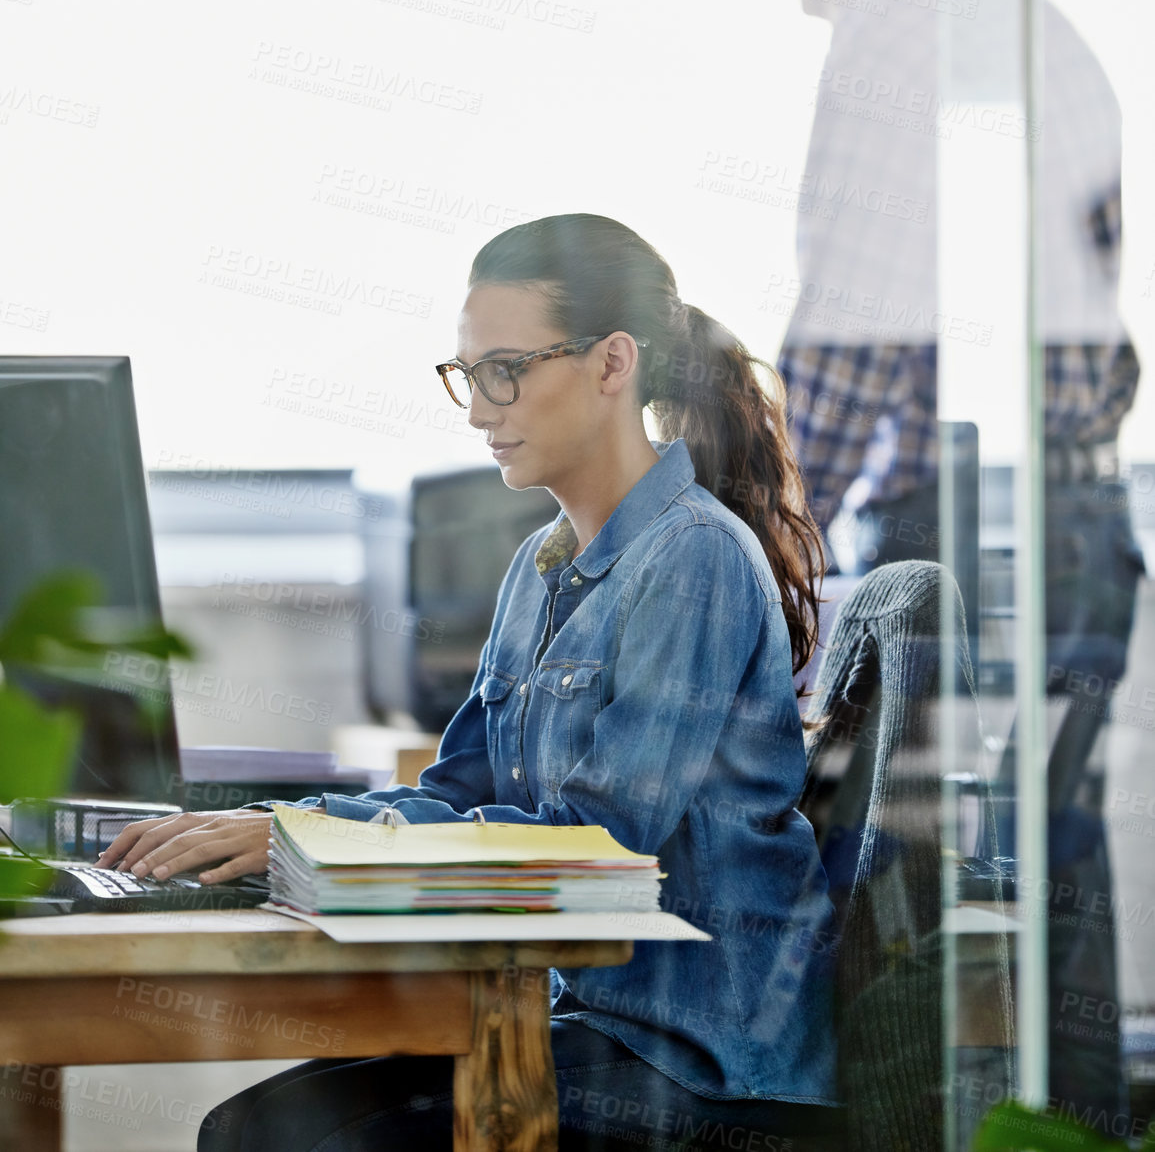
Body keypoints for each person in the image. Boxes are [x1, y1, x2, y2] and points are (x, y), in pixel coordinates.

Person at [100, 213, 841, 1152]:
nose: (480, 408)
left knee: (297, 1141)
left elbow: (599, 849)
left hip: (703, 1062)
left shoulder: (692, 559)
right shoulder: (540, 565)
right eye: (467, 376)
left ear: (613, 363)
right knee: (251, 1124)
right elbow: (458, 792)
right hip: (594, 1024)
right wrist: (280, 828)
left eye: (505, 371)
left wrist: (300, 839)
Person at [742, 0, 1145, 1126]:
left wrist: (762, 535)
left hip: (960, 532)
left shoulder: (891, 36)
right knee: (1052, 891)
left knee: (909, 913)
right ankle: (1075, 1133)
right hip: (1078, 528)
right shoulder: (1021, 21)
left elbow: (854, 341)